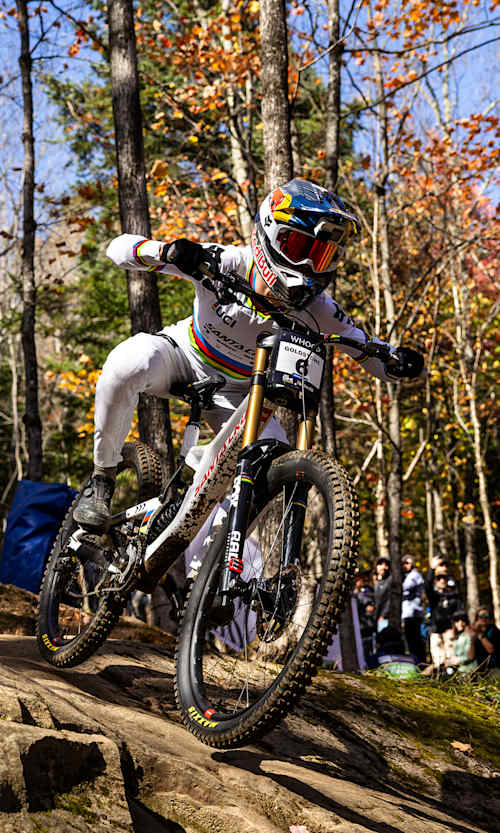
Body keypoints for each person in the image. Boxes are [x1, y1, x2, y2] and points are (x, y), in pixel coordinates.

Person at [73, 178, 425, 530]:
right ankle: (102, 478)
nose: (310, 265)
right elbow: (118, 250)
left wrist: (402, 363)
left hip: (242, 395)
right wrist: (168, 252)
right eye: (301, 246)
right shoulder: (227, 261)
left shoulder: (320, 309)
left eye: (322, 256)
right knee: (128, 363)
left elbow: (367, 349)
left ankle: (207, 574)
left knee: (272, 459)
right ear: (270, 235)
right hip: (184, 356)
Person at [424, 556, 463, 670]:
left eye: (444, 578)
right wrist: (432, 568)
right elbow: (427, 586)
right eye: (439, 578)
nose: (442, 581)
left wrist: (456, 628)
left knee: (451, 660)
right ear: (435, 581)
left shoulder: (453, 596)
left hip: (449, 631)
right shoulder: (433, 596)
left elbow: (459, 612)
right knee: (438, 661)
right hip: (435, 631)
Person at [401, 555, 426, 664]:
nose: (405, 565)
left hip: (413, 614)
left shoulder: (414, 575)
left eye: (408, 563)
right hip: (407, 614)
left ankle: (420, 663)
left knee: (415, 641)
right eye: (403, 563)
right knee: (410, 641)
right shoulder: (405, 576)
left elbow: (404, 587)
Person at [447, 610, 477, 675]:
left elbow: (471, 656)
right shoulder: (456, 636)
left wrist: (457, 660)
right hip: (458, 671)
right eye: (457, 621)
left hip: (469, 671)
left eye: (463, 620)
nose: (460, 623)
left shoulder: (470, 635)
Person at [473, 607, 500, 675]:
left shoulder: (495, 631)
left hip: (494, 669)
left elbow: (491, 650)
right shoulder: (475, 633)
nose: (483, 618)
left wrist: (480, 634)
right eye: (481, 616)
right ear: (477, 619)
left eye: (486, 616)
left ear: (490, 619)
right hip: (480, 669)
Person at [374, 556, 392, 633]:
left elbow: (390, 600)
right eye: (380, 564)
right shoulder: (377, 582)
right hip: (375, 618)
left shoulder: (390, 580)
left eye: (386, 565)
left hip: (384, 619)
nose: (383, 567)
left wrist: (383, 615)